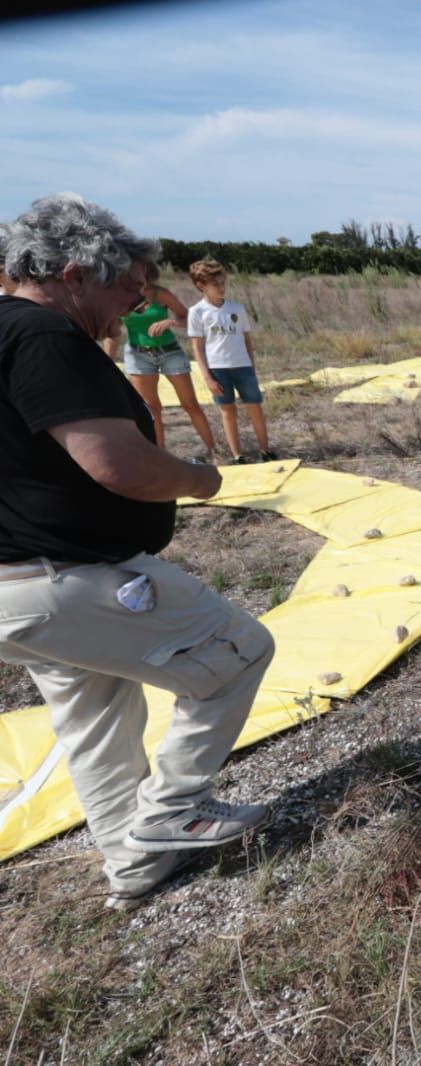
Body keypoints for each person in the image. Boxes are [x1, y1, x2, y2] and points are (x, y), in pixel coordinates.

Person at [0, 194, 276, 910]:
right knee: (238, 653)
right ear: (74, 274)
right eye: (128, 291)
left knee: (95, 717)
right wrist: (201, 479)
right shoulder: (43, 338)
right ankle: (171, 812)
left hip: (16, 589)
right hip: (65, 577)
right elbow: (119, 466)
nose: (134, 306)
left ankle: (132, 863)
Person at [102, 266, 219, 460]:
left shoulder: (160, 294)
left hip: (169, 352)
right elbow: (112, 333)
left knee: (190, 404)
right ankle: (161, 456)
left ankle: (214, 451)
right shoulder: (118, 297)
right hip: (138, 355)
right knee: (151, 408)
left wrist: (171, 322)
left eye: (141, 274)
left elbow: (189, 318)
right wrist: (107, 363)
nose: (138, 278)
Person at [186, 258, 276, 463]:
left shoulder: (236, 308)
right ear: (201, 285)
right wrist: (207, 377)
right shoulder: (197, 312)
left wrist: (251, 367)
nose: (221, 288)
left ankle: (265, 451)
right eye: (215, 284)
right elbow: (197, 347)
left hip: (242, 366)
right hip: (218, 369)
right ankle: (238, 456)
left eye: (223, 283)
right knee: (228, 411)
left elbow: (246, 339)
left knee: (255, 407)